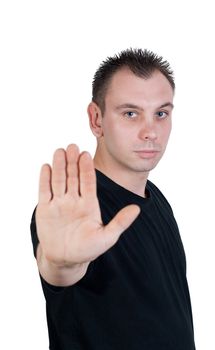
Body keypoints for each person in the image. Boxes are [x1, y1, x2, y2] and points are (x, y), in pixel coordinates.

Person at [30, 48, 196, 349]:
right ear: (96, 120)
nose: (150, 132)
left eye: (161, 113)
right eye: (130, 113)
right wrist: (60, 263)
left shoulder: (156, 198)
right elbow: (61, 269)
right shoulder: (71, 212)